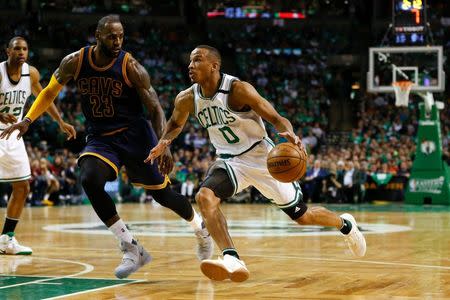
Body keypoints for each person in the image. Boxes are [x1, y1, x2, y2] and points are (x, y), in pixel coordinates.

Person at [0, 16, 213, 278]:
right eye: (112, 36)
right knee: (89, 178)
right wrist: (28, 119)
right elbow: (48, 93)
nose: (117, 41)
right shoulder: (75, 61)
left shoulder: (130, 66)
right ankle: (131, 247)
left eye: (121, 36)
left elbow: (155, 107)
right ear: (98, 35)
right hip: (101, 137)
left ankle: (200, 229)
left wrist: (164, 143)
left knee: (163, 195)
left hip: (136, 134)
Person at [147, 45, 367, 282]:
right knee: (204, 197)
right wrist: (164, 142)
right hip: (230, 161)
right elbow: (175, 123)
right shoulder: (187, 98)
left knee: (302, 216)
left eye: (197, 60)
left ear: (214, 66)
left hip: (263, 158)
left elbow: (275, 118)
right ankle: (232, 258)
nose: (190, 66)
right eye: (190, 61)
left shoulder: (238, 90)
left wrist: (290, 134)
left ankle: (345, 224)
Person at [0, 36, 76, 255]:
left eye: (24, 49)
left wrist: (60, 121)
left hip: (13, 135)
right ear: (8, 51)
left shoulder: (30, 73)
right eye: (16, 48)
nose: (21, 52)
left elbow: (45, 97)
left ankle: (6, 239)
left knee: (23, 187)